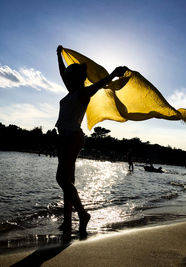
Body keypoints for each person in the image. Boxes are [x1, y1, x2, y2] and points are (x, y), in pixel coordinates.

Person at [55, 45, 128, 238]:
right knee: (67, 181)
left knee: (61, 179)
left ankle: (83, 214)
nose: (67, 76)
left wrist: (113, 74)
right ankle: (68, 221)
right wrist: (58, 56)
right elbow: (63, 73)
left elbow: (100, 84)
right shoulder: (71, 91)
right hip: (64, 138)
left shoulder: (83, 93)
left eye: (70, 74)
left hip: (72, 137)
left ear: (76, 78)